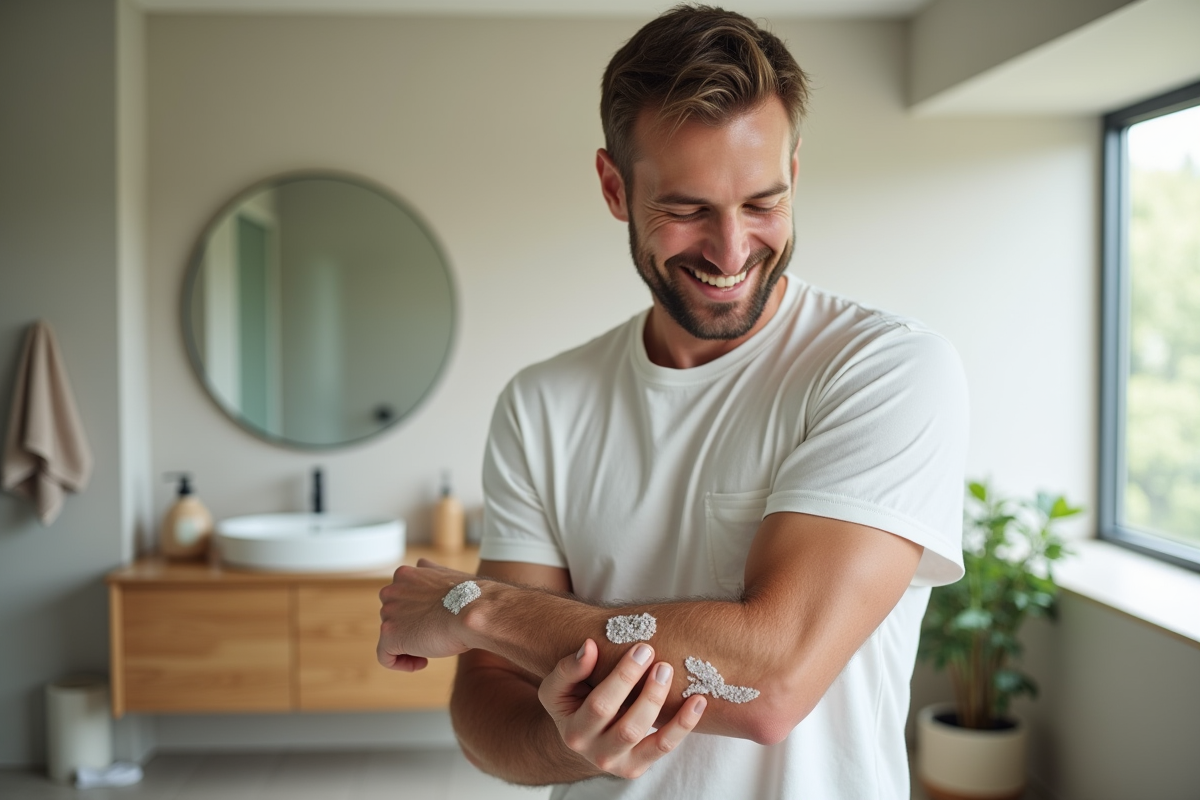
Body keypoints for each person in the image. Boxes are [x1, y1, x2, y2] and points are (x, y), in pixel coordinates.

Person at [377, 5, 969, 798]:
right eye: (687, 210)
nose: (730, 251)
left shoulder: (884, 369)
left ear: (795, 172)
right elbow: (488, 707)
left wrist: (474, 604)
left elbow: (771, 684)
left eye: (762, 202)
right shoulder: (543, 404)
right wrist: (575, 743)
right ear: (615, 187)